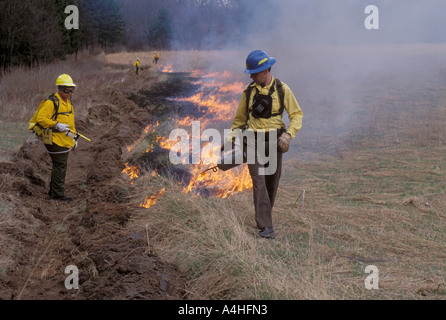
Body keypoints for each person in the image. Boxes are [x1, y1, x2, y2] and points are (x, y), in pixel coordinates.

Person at [226, 50, 303, 239]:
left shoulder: (282, 89)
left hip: (275, 141)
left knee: (271, 184)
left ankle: (265, 218)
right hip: (252, 141)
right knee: (258, 181)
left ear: (266, 70)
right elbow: (239, 120)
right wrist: (232, 142)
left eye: (255, 72)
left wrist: (288, 135)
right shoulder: (249, 92)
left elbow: (297, 115)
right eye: (250, 73)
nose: (251, 76)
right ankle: (265, 227)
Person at [36, 74, 78, 202]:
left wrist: (74, 137)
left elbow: (71, 122)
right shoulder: (51, 102)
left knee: (59, 165)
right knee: (60, 165)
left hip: (65, 140)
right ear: (60, 89)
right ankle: (58, 195)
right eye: (67, 90)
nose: (70, 93)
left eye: (72, 90)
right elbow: (41, 119)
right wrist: (56, 124)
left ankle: (53, 191)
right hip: (54, 140)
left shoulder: (68, 102)